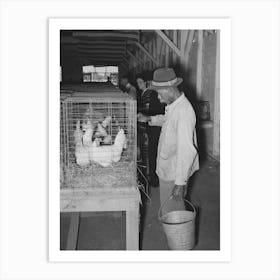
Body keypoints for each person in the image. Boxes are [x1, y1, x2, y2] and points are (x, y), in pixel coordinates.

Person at [137, 68, 199, 212]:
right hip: (168, 167)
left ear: (170, 89)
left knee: (172, 213)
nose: (158, 97)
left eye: (159, 93)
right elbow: (168, 120)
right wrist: (149, 118)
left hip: (174, 171)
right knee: (168, 209)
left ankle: (176, 234)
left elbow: (187, 151)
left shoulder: (183, 111)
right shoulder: (174, 105)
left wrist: (180, 183)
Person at [136, 72, 165, 188]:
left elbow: (151, 112)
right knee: (152, 154)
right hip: (152, 126)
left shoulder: (151, 94)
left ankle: (153, 178)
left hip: (153, 129)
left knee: (152, 154)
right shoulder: (149, 93)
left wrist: (144, 118)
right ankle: (153, 177)